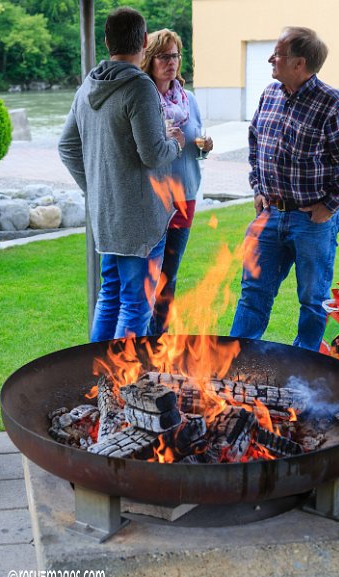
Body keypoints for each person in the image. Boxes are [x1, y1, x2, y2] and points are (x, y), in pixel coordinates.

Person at [230, 26, 339, 351]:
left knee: (312, 300)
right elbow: (255, 141)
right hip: (269, 216)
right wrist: (258, 187)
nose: (270, 58)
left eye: (278, 53)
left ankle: (304, 371)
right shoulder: (270, 94)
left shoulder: (334, 106)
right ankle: (234, 365)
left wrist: (331, 205)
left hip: (312, 223)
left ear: (300, 63)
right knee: (253, 295)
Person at [58, 8, 185, 342]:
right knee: (134, 306)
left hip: (107, 217)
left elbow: (66, 146)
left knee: (109, 298)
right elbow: (153, 153)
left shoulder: (88, 85)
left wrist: (97, 189)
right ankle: (119, 387)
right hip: (141, 222)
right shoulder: (140, 87)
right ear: (144, 41)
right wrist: (175, 143)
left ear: (105, 41)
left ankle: (96, 382)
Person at [141, 28, 213, 336]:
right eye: (164, 56)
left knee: (169, 276)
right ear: (149, 59)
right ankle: (138, 344)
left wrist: (204, 146)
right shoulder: (143, 100)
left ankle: (160, 342)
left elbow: (195, 143)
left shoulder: (190, 100)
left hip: (185, 197)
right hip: (154, 201)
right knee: (147, 277)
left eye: (176, 55)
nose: (172, 62)